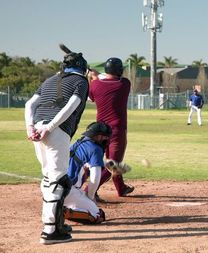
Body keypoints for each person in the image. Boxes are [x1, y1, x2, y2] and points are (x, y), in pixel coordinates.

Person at [24, 44, 90, 244]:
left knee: (49, 178)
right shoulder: (81, 81)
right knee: (58, 180)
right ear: (81, 67)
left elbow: (30, 105)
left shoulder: (50, 79)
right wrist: (51, 127)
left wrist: (31, 128)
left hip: (38, 126)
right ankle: (51, 231)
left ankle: (56, 223)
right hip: (56, 131)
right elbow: (72, 105)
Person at [89, 57, 134, 198]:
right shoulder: (124, 84)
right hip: (116, 130)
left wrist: (94, 78)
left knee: (109, 161)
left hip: (98, 132)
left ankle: (121, 188)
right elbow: (111, 81)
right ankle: (88, 192)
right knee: (112, 166)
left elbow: (92, 96)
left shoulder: (95, 85)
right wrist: (97, 77)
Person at [63, 122, 111, 225]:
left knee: (78, 204)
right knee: (98, 215)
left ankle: (57, 206)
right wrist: (91, 196)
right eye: (106, 137)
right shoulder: (96, 149)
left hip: (51, 189)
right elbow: (95, 178)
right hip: (68, 191)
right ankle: (61, 211)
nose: (107, 140)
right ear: (99, 136)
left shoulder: (78, 143)